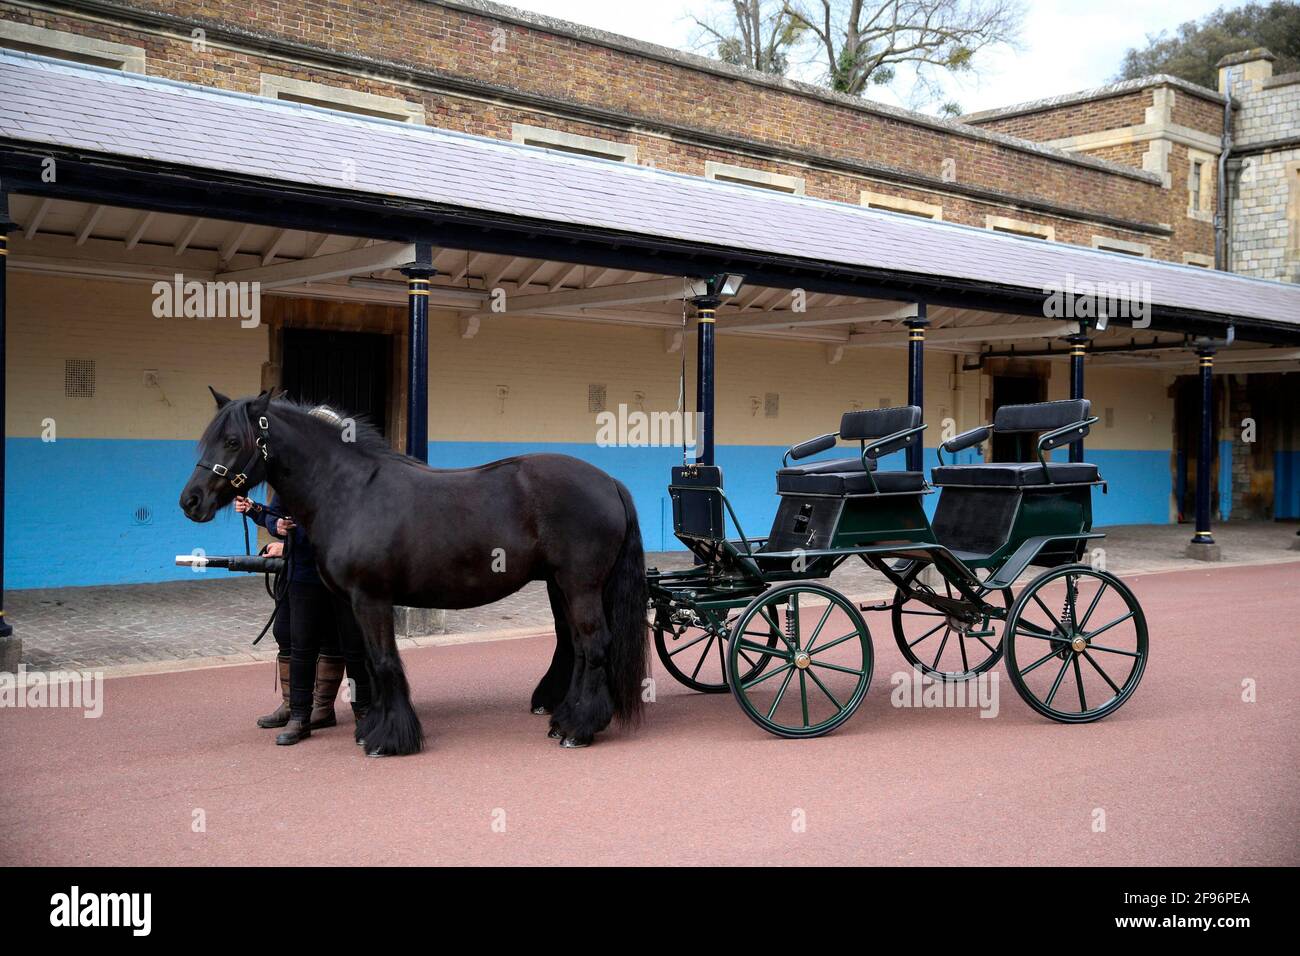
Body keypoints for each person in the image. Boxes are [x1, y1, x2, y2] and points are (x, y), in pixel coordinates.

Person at [235, 493, 356, 745]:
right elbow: (278, 518)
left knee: (331, 639)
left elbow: (338, 526)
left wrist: (290, 543)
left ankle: (322, 708)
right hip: (297, 571)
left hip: (331, 573)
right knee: (285, 633)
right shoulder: (288, 479)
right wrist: (258, 513)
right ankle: (293, 705)